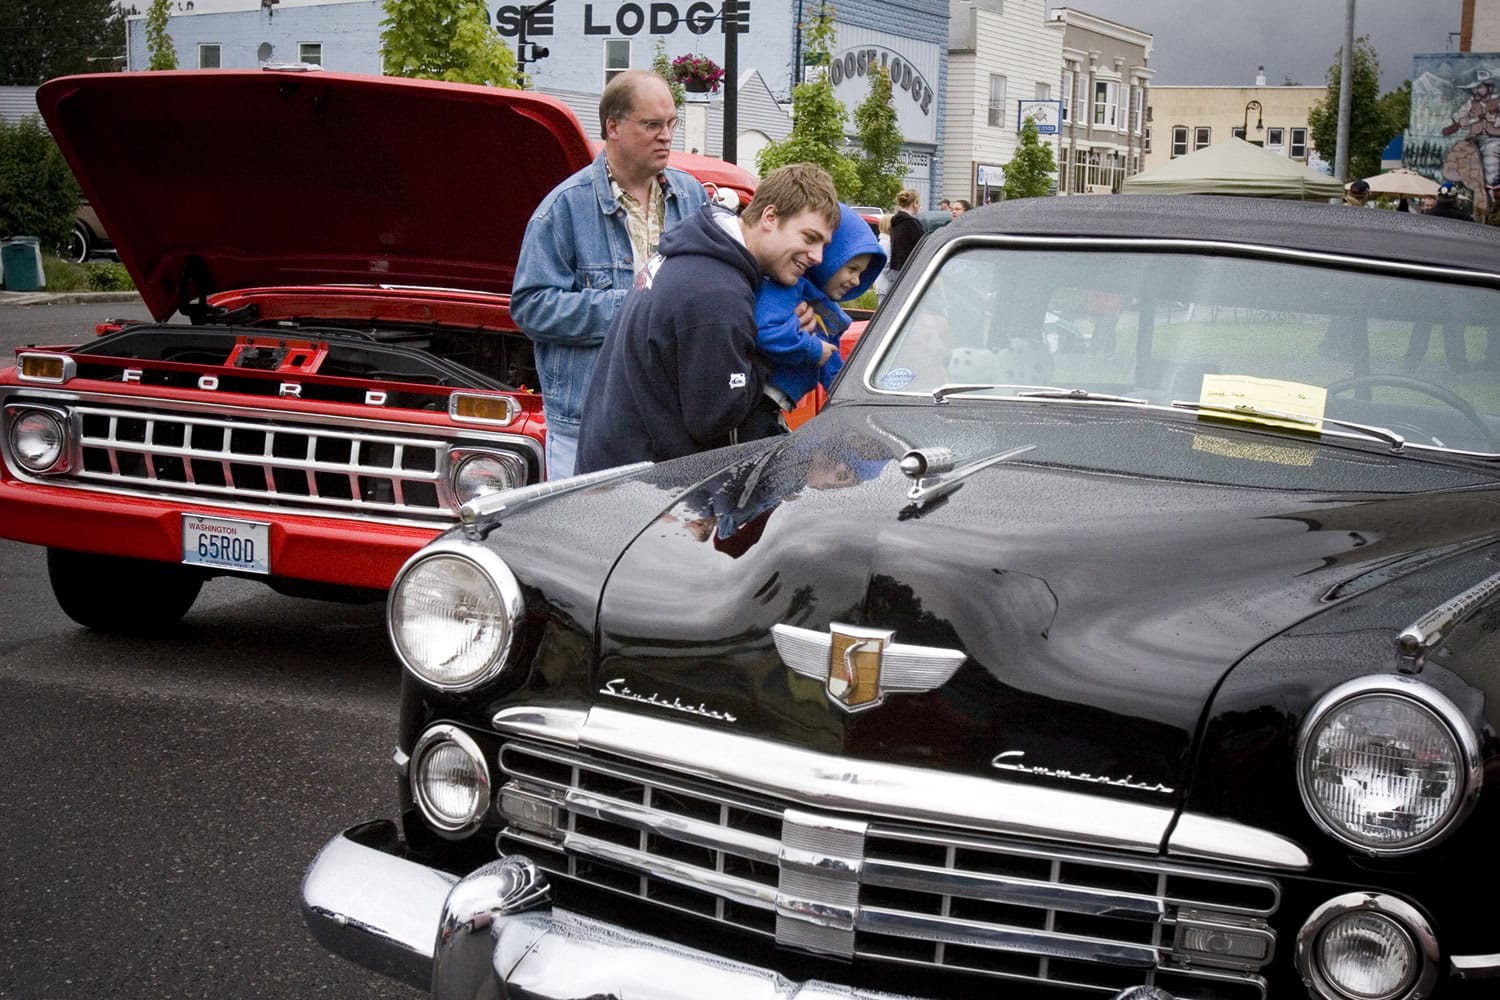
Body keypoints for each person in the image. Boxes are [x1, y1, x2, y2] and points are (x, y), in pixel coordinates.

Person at [574, 163, 841, 473]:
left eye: (823, 245)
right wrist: (773, 352)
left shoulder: (699, 251)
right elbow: (714, 417)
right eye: (809, 238)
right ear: (770, 217)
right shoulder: (718, 294)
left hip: (612, 469)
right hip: (640, 490)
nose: (817, 256)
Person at [510, 69, 708, 480]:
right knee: (584, 542)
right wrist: (633, 307)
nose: (666, 135)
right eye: (652, 125)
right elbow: (530, 307)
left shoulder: (691, 196)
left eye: (672, 123)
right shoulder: (564, 208)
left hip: (672, 421)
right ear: (612, 127)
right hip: (586, 423)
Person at [743, 203, 887, 439]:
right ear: (830, 257)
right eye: (851, 268)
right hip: (759, 403)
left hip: (775, 405)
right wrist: (812, 349)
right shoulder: (787, 290)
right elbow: (765, 331)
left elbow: (830, 361)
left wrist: (846, 392)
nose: (855, 280)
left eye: (861, 274)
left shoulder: (819, 304)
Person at [885, 188, 925, 295]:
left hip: (896, 268)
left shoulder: (895, 222)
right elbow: (921, 246)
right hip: (909, 269)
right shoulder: (912, 224)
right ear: (915, 204)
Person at [872, 213, 894, 299]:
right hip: (885, 285)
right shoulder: (886, 243)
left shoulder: (884, 242)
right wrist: (895, 277)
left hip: (884, 285)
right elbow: (886, 264)